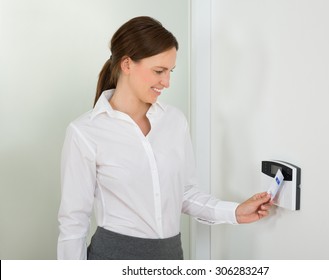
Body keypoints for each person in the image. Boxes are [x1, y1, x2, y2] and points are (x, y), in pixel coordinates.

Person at [57, 16, 273, 260]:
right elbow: (73, 223)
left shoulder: (174, 121)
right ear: (127, 65)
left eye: (170, 71)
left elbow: (185, 193)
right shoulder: (85, 132)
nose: (167, 82)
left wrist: (235, 212)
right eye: (159, 71)